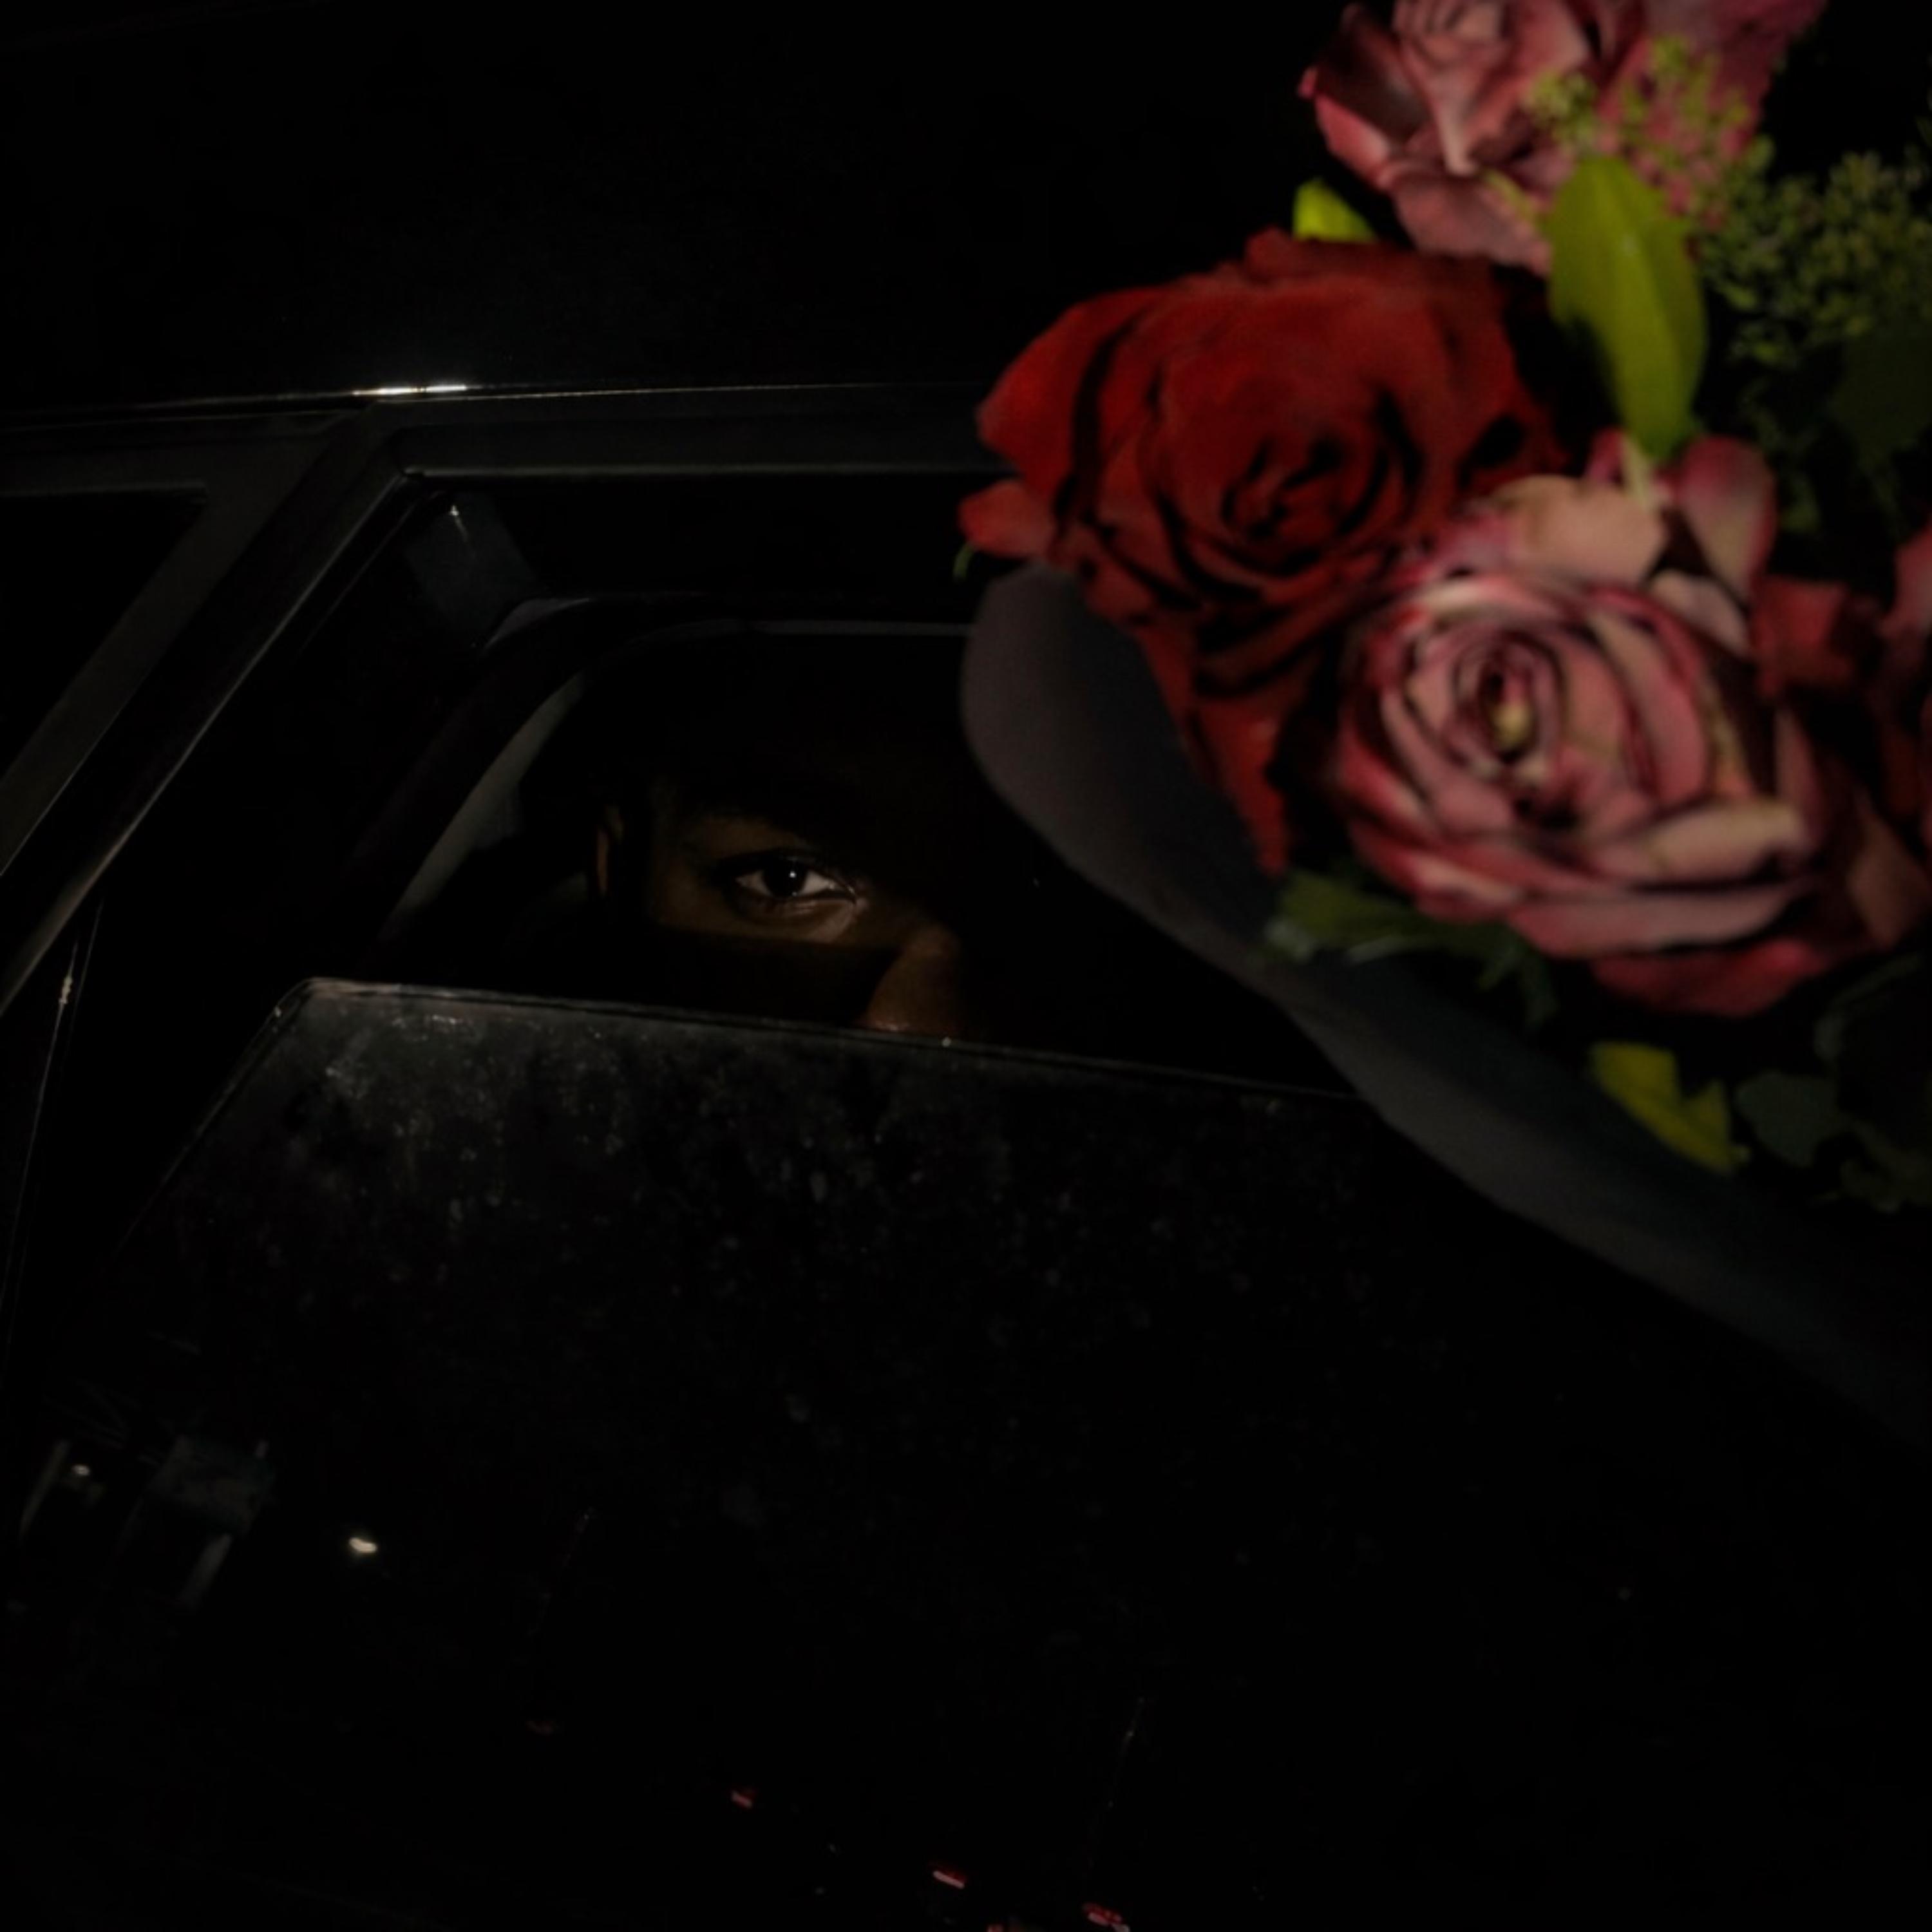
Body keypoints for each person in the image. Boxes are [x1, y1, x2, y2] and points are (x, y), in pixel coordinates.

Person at [401, 631, 1340, 1083]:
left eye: (1041, 887)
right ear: (617, 874)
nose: (916, 1023)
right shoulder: (434, 1100)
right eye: (787, 881)